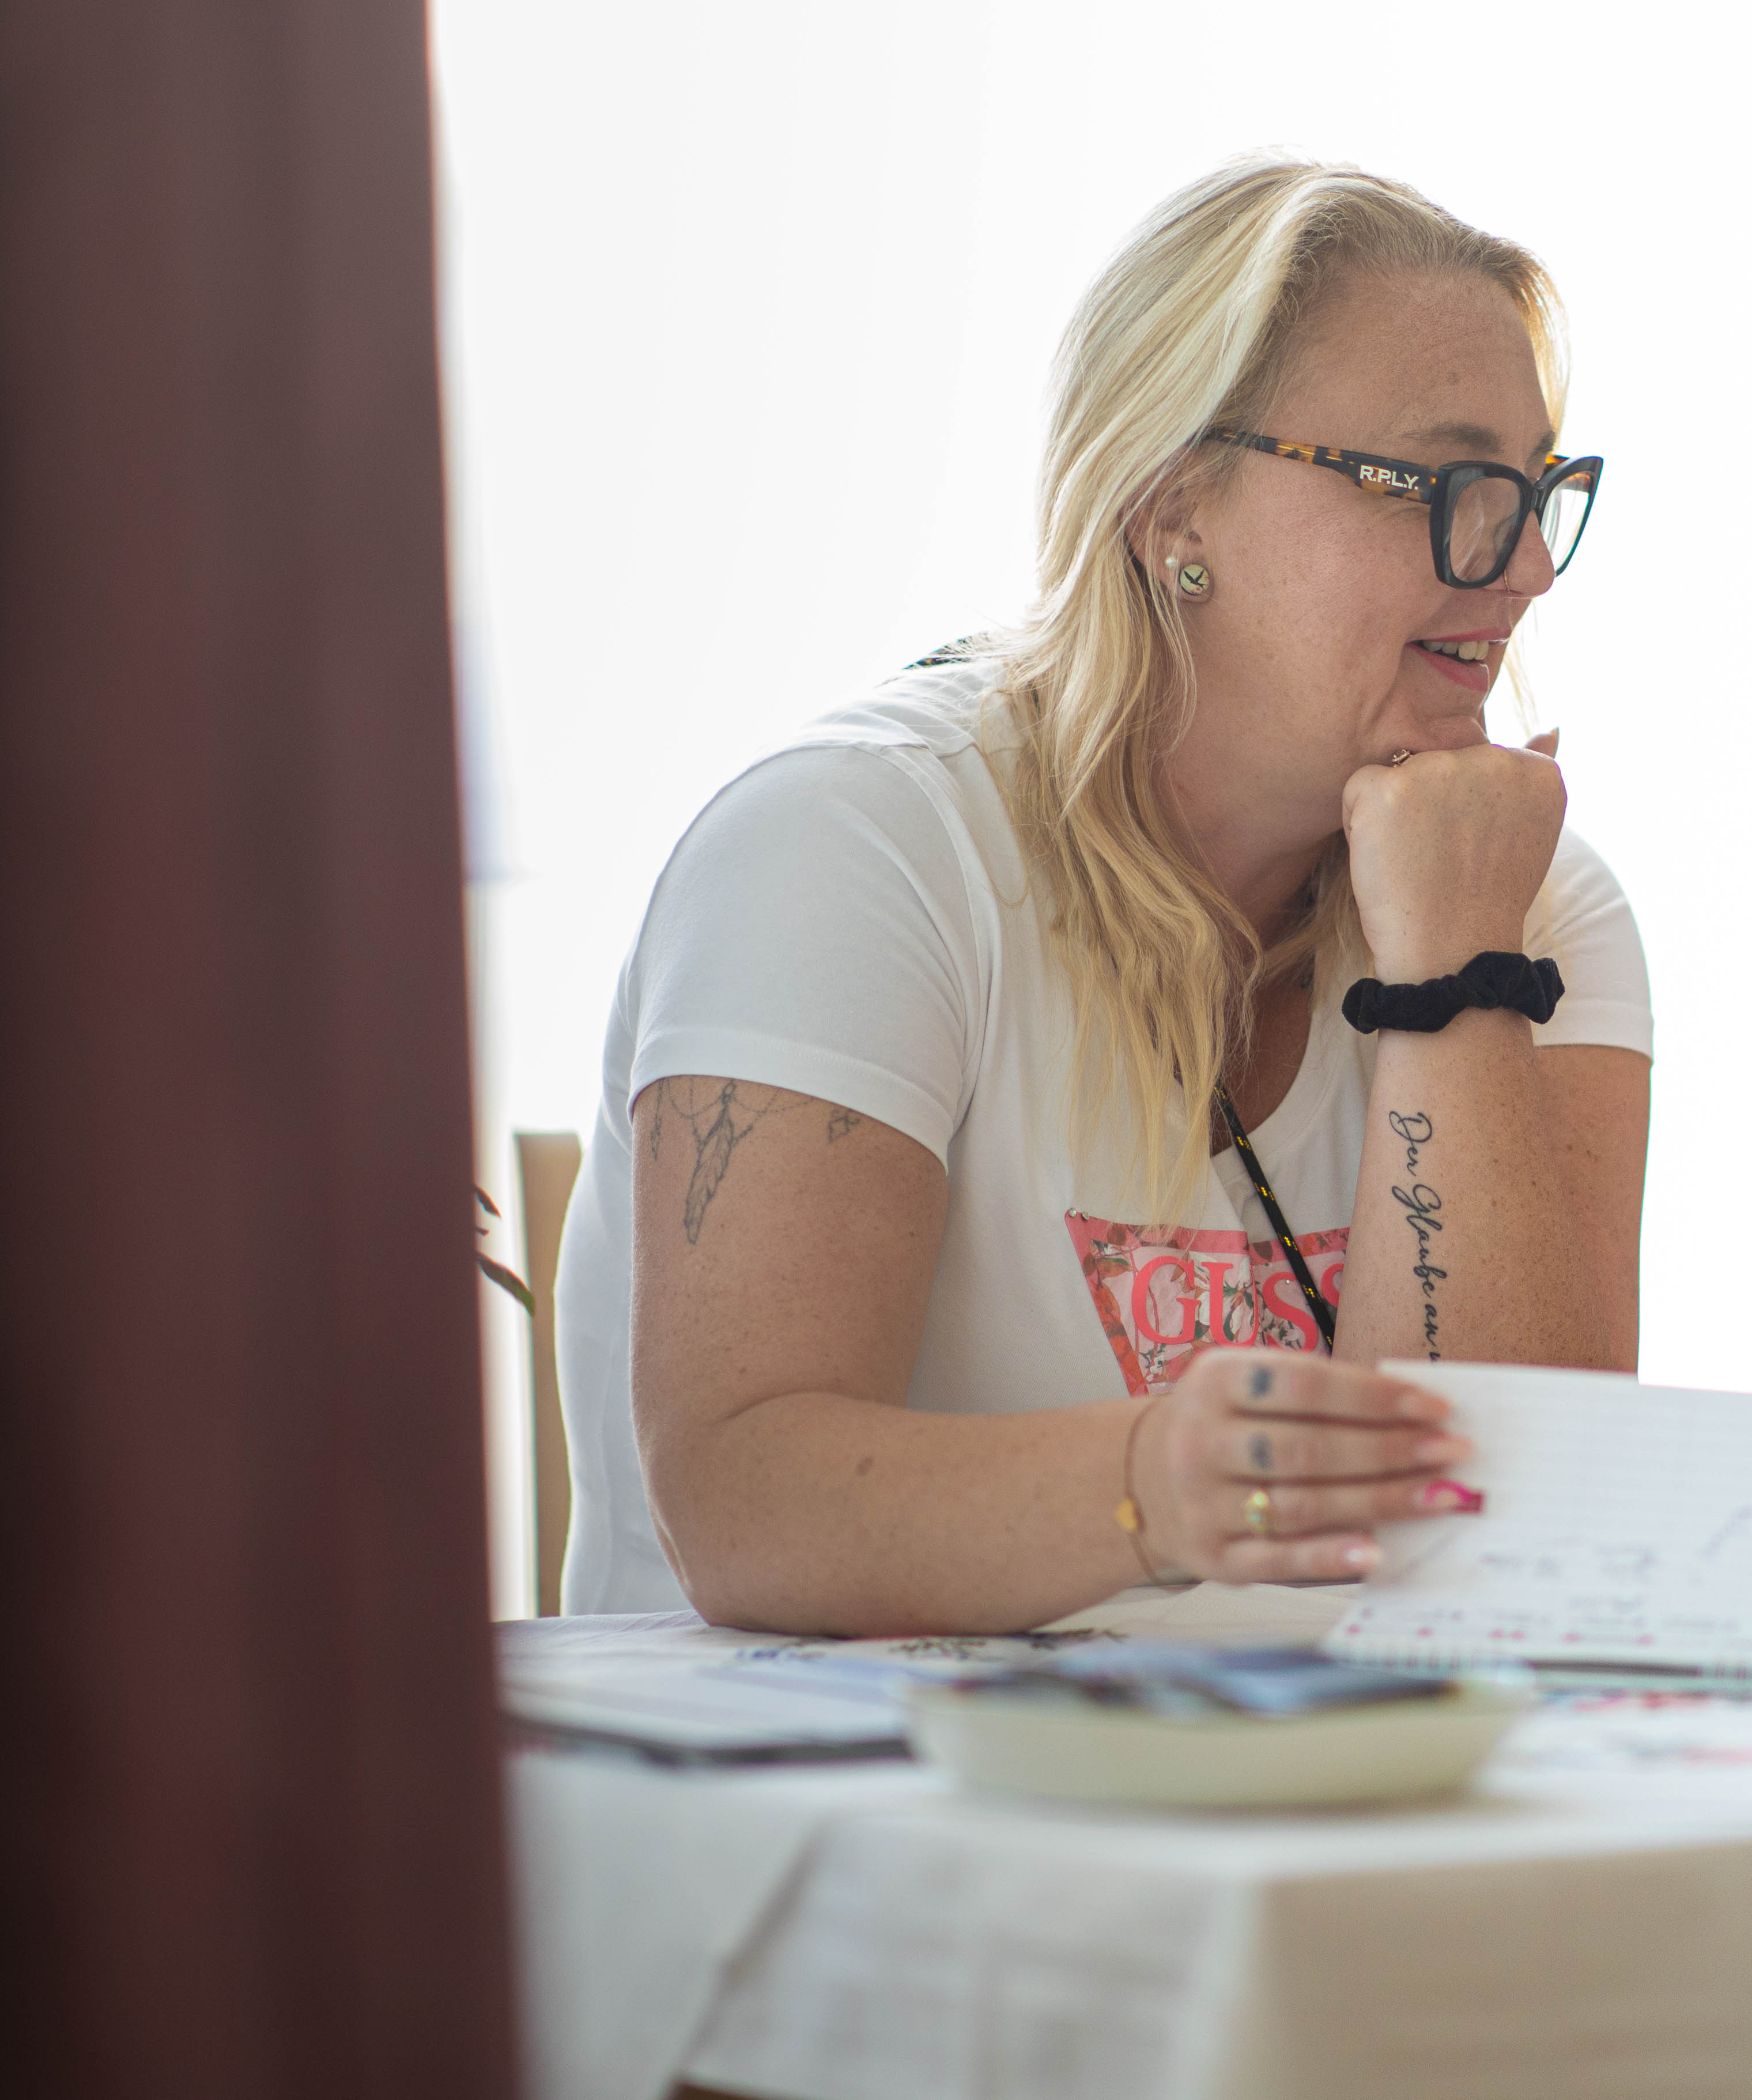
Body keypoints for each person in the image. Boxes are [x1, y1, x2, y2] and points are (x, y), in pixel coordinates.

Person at [553, 159, 1652, 1635]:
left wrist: (1457, 969)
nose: (1523, 566)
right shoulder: (851, 847)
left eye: (1536, 492)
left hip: (1324, 1819)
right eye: (1446, 485)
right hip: (834, 1828)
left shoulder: (1522, 899)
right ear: (1174, 505)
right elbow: (747, 1501)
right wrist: (1157, 1481)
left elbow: (1523, 1551)